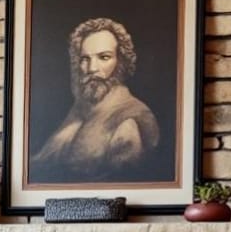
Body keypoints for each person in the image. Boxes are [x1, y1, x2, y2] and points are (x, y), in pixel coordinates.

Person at [30, 17, 160, 181]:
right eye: (85, 59)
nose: (91, 69)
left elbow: (122, 183)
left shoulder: (130, 121)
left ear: (121, 62)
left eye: (104, 57)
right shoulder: (81, 108)